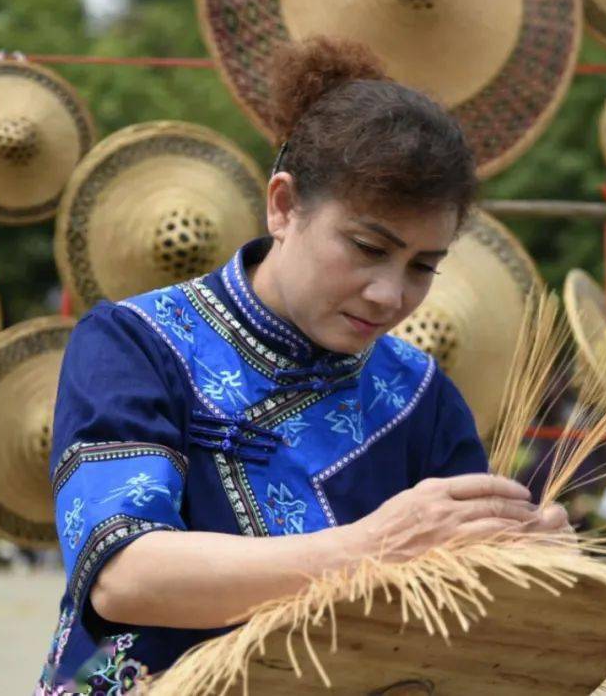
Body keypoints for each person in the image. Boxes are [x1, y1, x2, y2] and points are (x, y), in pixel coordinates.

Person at [37, 38, 568, 693]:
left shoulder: (421, 398)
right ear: (284, 205)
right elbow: (124, 574)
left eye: (423, 266)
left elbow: (459, 630)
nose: (391, 295)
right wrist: (370, 548)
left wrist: (533, 576)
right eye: (368, 246)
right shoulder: (136, 344)